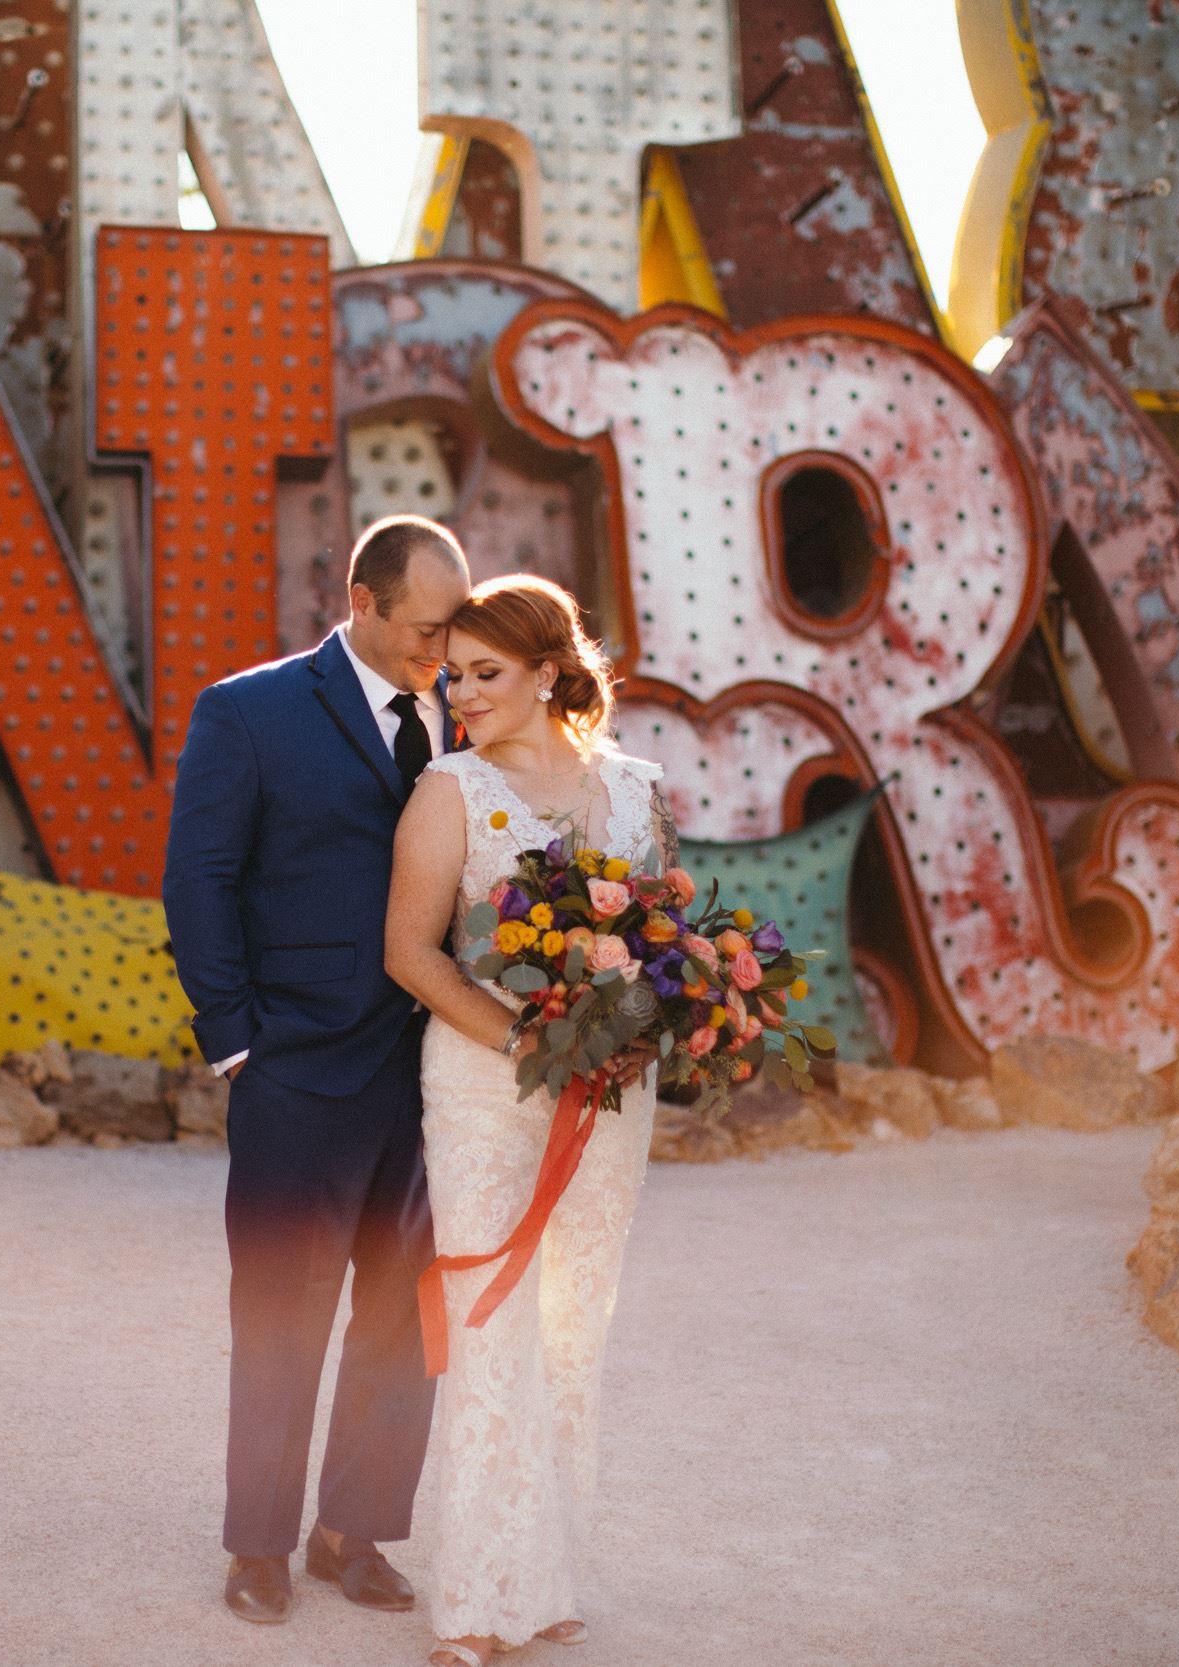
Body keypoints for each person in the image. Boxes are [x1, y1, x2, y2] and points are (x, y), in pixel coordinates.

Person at [162, 514, 473, 1627]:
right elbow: (198, 875)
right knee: (282, 1312)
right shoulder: (247, 710)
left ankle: (356, 1530)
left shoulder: (466, 714)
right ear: (364, 599)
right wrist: (239, 1039)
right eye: (428, 628)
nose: (445, 651)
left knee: (407, 1317)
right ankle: (258, 1544)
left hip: (435, 1077)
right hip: (296, 1067)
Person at [382, 575, 675, 1666]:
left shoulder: (640, 791)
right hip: (482, 1088)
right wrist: (524, 1046)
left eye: (484, 672)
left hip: (609, 1094)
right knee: (490, 1321)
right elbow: (408, 951)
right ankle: (473, 1597)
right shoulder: (447, 790)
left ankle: (544, 1576)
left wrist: (653, 1022)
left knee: (570, 1326)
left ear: (548, 672)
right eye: (452, 673)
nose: (459, 693)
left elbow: (663, 940)